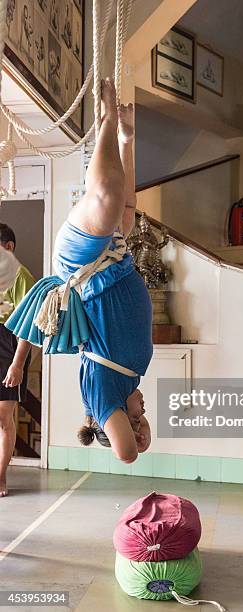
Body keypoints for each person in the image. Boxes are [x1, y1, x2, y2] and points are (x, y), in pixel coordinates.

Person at [4, 78, 153, 465]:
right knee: (125, 207)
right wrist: (129, 141)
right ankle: (119, 137)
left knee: (106, 198)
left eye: (137, 415)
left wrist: (136, 433)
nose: (143, 409)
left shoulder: (102, 394)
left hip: (82, 266)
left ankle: (103, 121)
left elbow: (127, 455)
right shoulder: (130, 379)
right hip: (114, 260)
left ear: (115, 419)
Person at [0, 224, 35, 497]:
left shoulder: (22, 277)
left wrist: (18, 364)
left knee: (3, 417)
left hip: (10, 343)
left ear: (8, 247)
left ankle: (0, 477)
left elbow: (28, 329)